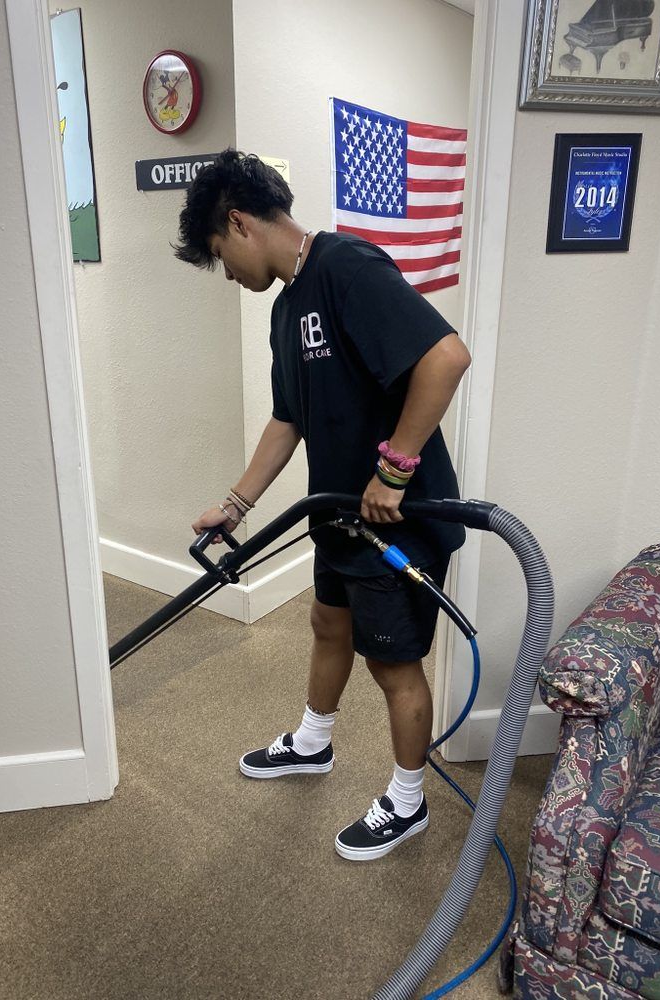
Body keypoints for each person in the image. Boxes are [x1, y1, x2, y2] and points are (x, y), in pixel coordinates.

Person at [174, 149, 471, 862]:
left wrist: (395, 470)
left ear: (239, 223)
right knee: (326, 624)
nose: (229, 275)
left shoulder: (347, 269)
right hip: (339, 517)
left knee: (393, 666)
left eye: (220, 255)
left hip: (391, 521)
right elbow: (288, 418)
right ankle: (312, 742)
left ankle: (408, 802)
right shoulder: (285, 309)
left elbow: (446, 357)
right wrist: (236, 504)